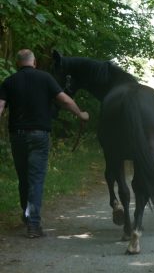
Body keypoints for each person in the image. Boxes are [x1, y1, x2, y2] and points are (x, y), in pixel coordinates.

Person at [0, 49, 90, 238]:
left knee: (23, 177)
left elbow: (0, 106)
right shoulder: (45, 78)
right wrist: (80, 114)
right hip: (39, 136)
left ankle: (27, 216)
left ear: (18, 64)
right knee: (36, 178)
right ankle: (33, 224)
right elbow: (64, 100)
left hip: (17, 136)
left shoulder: (9, 82)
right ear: (35, 63)